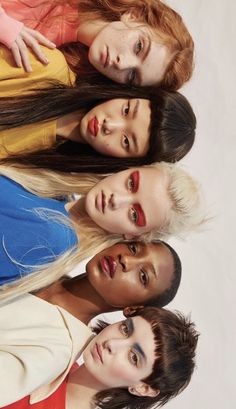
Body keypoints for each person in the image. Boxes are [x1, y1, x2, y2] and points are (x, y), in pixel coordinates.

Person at [0, 162, 204, 295]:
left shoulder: (53, 238)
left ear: (133, 235)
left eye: (135, 214)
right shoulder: (56, 188)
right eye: (132, 183)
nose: (117, 199)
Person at [0, 301, 199, 408]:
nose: (112, 344)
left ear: (143, 388)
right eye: (125, 329)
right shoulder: (50, 342)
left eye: (134, 357)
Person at [0, 78, 196, 168]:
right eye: (126, 110)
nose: (110, 126)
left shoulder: (46, 178)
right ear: (129, 94)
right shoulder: (49, 71)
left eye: (126, 141)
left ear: (127, 161)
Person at [0, 0, 194, 90]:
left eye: (133, 76)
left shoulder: (61, 68)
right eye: (138, 47)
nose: (122, 63)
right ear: (134, 16)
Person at [1, 240, 181, 315]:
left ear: (133, 309)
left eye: (143, 276)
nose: (126, 259)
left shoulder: (57, 346)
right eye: (133, 248)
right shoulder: (46, 252)